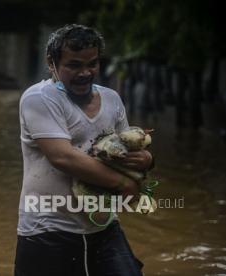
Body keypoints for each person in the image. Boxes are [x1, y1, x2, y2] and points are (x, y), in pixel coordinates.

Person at [15, 24, 154, 276]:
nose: (85, 73)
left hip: (102, 227)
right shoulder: (39, 98)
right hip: (48, 228)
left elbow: (126, 147)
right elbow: (63, 157)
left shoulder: (112, 99)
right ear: (51, 63)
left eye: (92, 64)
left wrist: (145, 159)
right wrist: (123, 183)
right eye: (74, 65)